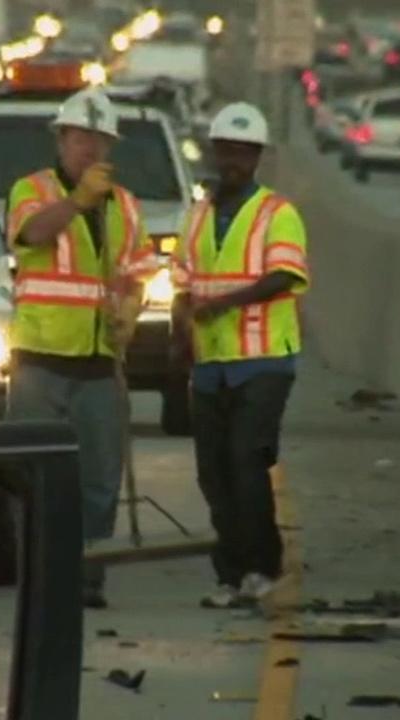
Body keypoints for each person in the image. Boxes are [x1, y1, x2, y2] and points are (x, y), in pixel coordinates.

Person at [4, 88, 158, 609]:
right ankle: (39, 573)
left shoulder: (126, 206)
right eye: (81, 137)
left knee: (98, 477)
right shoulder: (31, 190)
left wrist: (131, 309)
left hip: (99, 363)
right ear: (62, 138)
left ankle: (87, 575)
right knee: (35, 474)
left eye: (100, 139)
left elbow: (138, 271)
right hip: (41, 359)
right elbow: (30, 236)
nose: (91, 149)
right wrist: (76, 202)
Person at [170, 102, 311, 610]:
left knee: (245, 461)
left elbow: (284, 277)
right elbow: (182, 281)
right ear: (214, 151)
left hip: (265, 359)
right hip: (210, 364)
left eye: (243, 153)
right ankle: (231, 574)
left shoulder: (278, 214)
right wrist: (180, 326)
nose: (232, 161)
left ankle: (262, 566)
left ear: (256, 158)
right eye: (226, 150)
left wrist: (221, 304)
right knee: (214, 473)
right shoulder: (197, 216)